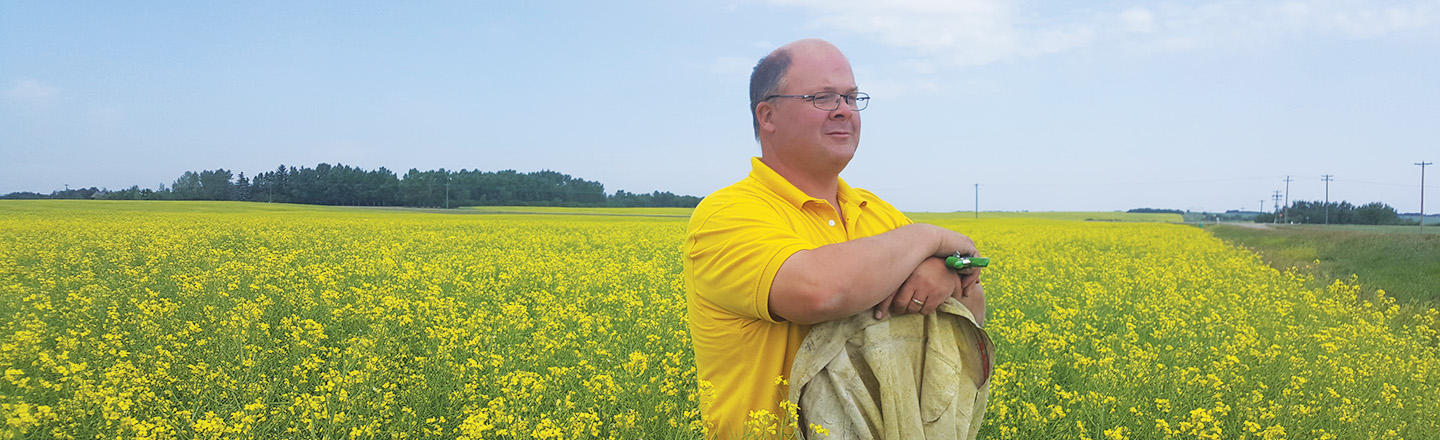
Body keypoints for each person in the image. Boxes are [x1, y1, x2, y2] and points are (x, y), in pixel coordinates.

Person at [683, 38, 987, 438]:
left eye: (851, 97)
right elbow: (821, 291)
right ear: (767, 114)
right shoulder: (727, 214)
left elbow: (973, 311)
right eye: (823, 98)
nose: (844, 110)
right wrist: (929, 238)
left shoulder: (876, 212)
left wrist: (944, 274)